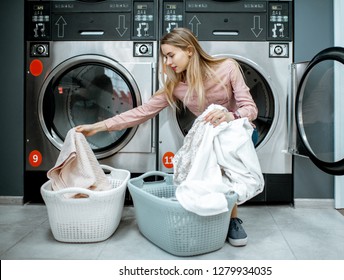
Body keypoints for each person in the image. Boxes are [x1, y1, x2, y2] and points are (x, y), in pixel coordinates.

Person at [76, 27, 259, 247]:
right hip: (209, 138)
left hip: (236, 135)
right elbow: (142, 112)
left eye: (171, 55)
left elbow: (251, 109)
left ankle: (231, 220)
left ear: (189, 50)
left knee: (217, 149)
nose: (168, 61)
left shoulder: (227, 67)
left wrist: (230, 115)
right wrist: (97, 127)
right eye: (164, 56)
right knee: (208, 154)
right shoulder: (175, 87)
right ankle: (218, 216)